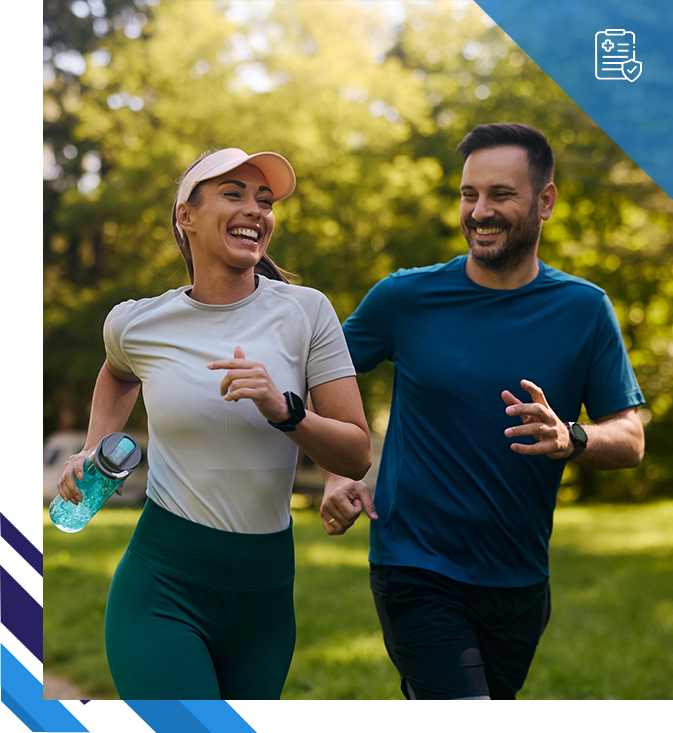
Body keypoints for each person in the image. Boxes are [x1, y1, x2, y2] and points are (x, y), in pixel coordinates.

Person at [319, 123, 645, 703]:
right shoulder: (405, 298)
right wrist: (338, 470)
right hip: (415, 565)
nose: (480, 211)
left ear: (545, 201)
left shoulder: (585, 310)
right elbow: (322, 376)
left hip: (519, 580)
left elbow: (630, 437)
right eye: (470, 195)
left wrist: (573, 437)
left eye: (501, 195)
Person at [56, 147, 371, 700]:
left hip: (265, 598)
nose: (256, 210)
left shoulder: (307, 312)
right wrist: (92, 448)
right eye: (234, 194)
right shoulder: (137, 322)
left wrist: (286, 411)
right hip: (162, 587)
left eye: (264, 200)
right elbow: (117, 373)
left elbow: (355, 454)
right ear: (186, 216)